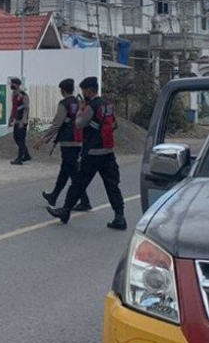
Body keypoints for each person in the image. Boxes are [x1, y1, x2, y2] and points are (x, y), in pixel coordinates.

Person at [47, 76, 125, 230]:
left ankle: (65, 211)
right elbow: (114, 124)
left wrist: (82, 110)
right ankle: (120, 217)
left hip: (93, 153)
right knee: (112, 186)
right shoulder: (107, 105)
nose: (83, 93)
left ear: (89, 90)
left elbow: (79, 124)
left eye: (83, 90)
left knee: (78, 183)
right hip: (108, 152)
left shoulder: (92, 106)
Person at [35, 78, 92, 211]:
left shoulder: (64, 103)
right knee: (66, 171)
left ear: (62, 91)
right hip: (78, 140)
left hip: (67, 141)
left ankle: (84, 201)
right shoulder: (79, 102)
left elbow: (57, 123)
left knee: (73, 172)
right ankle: (54, 196)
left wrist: (44, 138)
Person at [8, 77, 31, 165]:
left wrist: (23, 121)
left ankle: (19, 158)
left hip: (22, 121)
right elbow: (13, 108)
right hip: (16, 120)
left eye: (13, 84)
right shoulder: (14, 95)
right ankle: (27, 155)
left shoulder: (23, 95)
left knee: (20, 139)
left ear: (17, 85)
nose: (11, 85)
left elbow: (26, 109)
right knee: (16, 137)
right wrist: (11, 118)